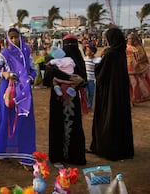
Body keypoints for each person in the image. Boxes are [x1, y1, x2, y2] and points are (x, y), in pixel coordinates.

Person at [0, 27, 37, 168]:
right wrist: (4, 74)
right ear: (8, 39)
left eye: (16, 36)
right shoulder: (5, 54)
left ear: (20, 37)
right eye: (11, 37)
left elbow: (34, 70)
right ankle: (4, 151)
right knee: (7, 120)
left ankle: (25, 155)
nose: (14, 40)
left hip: (24, 93)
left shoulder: (27, 52)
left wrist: (28, 79)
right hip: (8, 92)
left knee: (24, 121)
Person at [90, 27, 134, 161]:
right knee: (119, 119)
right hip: (119, 93)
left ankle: (107, 148)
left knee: (109, 118)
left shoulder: (110, 54)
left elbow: (100, 73)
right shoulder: (120, 53)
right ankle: (122, 148)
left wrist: (101, 57)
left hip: (109, 94)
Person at [43, 34, 87, 166]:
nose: (70, 49)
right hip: (58, 99)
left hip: (72, 100)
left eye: (72, 45)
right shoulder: (54, 61)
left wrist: (81, 81)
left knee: (74, 127)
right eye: (68, 45)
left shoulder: (79, 61)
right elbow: (47, 80)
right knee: (58, 125)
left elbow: (84, 79)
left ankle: (74, 156)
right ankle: (57, 156)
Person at [126, 33, 150, 105]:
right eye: (129, 39)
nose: (130, 40)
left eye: (132, 38)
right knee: (130, 84)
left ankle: (136, 98)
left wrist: (138, 63)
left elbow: (144, 58)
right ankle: (132, 100)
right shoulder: (126, 47)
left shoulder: (139, 47)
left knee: (137, 84)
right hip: (128, 69)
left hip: (138, 69)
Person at [84, 45, 98, 110]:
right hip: (85, 79)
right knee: (84, 92)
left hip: (92, 80)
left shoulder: (96, 60)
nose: (86, 51)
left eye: (88, 50)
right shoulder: (84, 59)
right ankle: (85, 104)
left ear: (92, 52)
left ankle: (89, 105)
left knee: (91, 93)